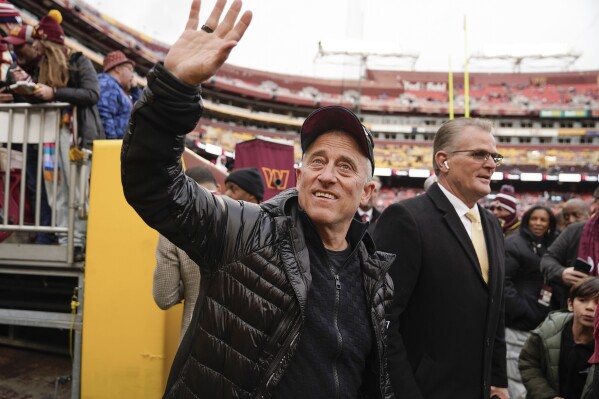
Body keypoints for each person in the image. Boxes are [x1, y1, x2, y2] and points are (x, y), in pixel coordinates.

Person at [121, 1, 395, 397]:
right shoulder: (245, 230)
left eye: (346, 167)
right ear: (299, 176)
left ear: (368, 192)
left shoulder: (375, 276)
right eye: (317, 160)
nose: (327, 175)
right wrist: (172, 92)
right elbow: (152, 185)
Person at [374, 117, 509, 398]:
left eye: (494, 156)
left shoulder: (492, 224)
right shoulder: (406, 219)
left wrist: (497, 379)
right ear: (444, 160)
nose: (491, 164)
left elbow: (495, 310)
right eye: (478, 154)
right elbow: (382, 321)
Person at [27, 9, 104, 260]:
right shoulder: (41, 68)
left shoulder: (80, 62)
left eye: (37, 43)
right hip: (50, 136)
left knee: (77, 190)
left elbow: (92, 95)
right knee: (55, 189)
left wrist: (55, 94)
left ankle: (80, 242)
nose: (34, 48)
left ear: (47, 43)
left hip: (76, 137)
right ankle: (63, 240)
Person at [153, 166, 219, 342]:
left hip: (196, 342)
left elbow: (164, 297)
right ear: (217, 186)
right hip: (243, 346)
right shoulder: (245, 217)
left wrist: (188, 285)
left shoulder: (173, 230)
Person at [503, 205, 559, 399]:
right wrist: (522, 310)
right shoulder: (514, 243)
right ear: (526, 220)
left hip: (542, 324)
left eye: (543, 220)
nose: (538, 223)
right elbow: (504, 282)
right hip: (518, 325)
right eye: (534, 219)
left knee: (535, 374)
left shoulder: (551, 245)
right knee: (515, 375)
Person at [519, 277, 599, 399]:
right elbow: (529, 362)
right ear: (570, 304)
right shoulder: (549, 329)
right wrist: (547, 395)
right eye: (583, 300)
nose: (590, 307)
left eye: (597, 302)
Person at [541, 204, 593, 310]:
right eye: (566, 217)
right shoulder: (573, 232)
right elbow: (547, 259)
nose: (571, 220)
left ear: (589, 214)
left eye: (576, 215)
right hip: (569, 307)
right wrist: (561, 273)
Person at [97, 50, 135, 139]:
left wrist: (135, 89)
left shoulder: (115, 87)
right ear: (118, 69)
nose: (132, 75)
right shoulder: (107, 84)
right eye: (130, 69)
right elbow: (104, 115)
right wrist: (112, 144)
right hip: (112, 147)